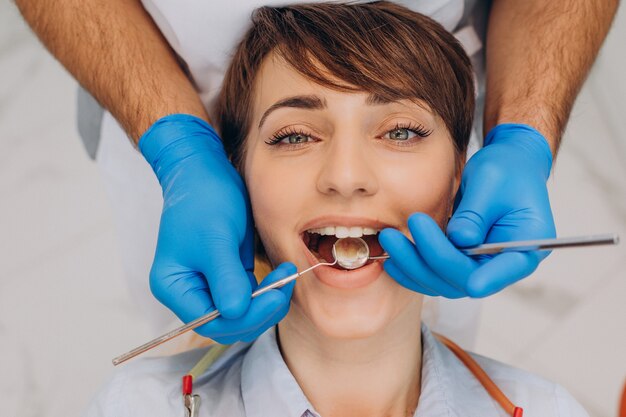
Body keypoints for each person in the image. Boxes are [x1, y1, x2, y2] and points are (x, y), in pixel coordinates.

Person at [15, 0, 618, 346]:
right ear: (235, 164)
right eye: (294, 136)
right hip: (165, 86)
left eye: (401, 132)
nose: (346, 176)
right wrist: (179, 149)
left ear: (460, 167)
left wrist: (523, 135)